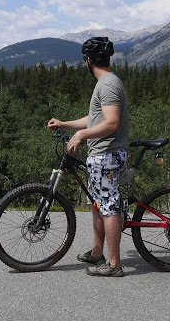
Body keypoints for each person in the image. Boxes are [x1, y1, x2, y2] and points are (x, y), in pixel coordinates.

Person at [47, 37, 129, 277]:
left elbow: (111, 123)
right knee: (98, 204)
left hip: (107, 154)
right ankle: (97, 252)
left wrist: (81, 135)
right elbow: (96, 119)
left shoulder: (108, 84)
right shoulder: (105, 82)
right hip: (101, 154)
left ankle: (114, 264)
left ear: (88, 60)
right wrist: (66, 124)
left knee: (108, 206)